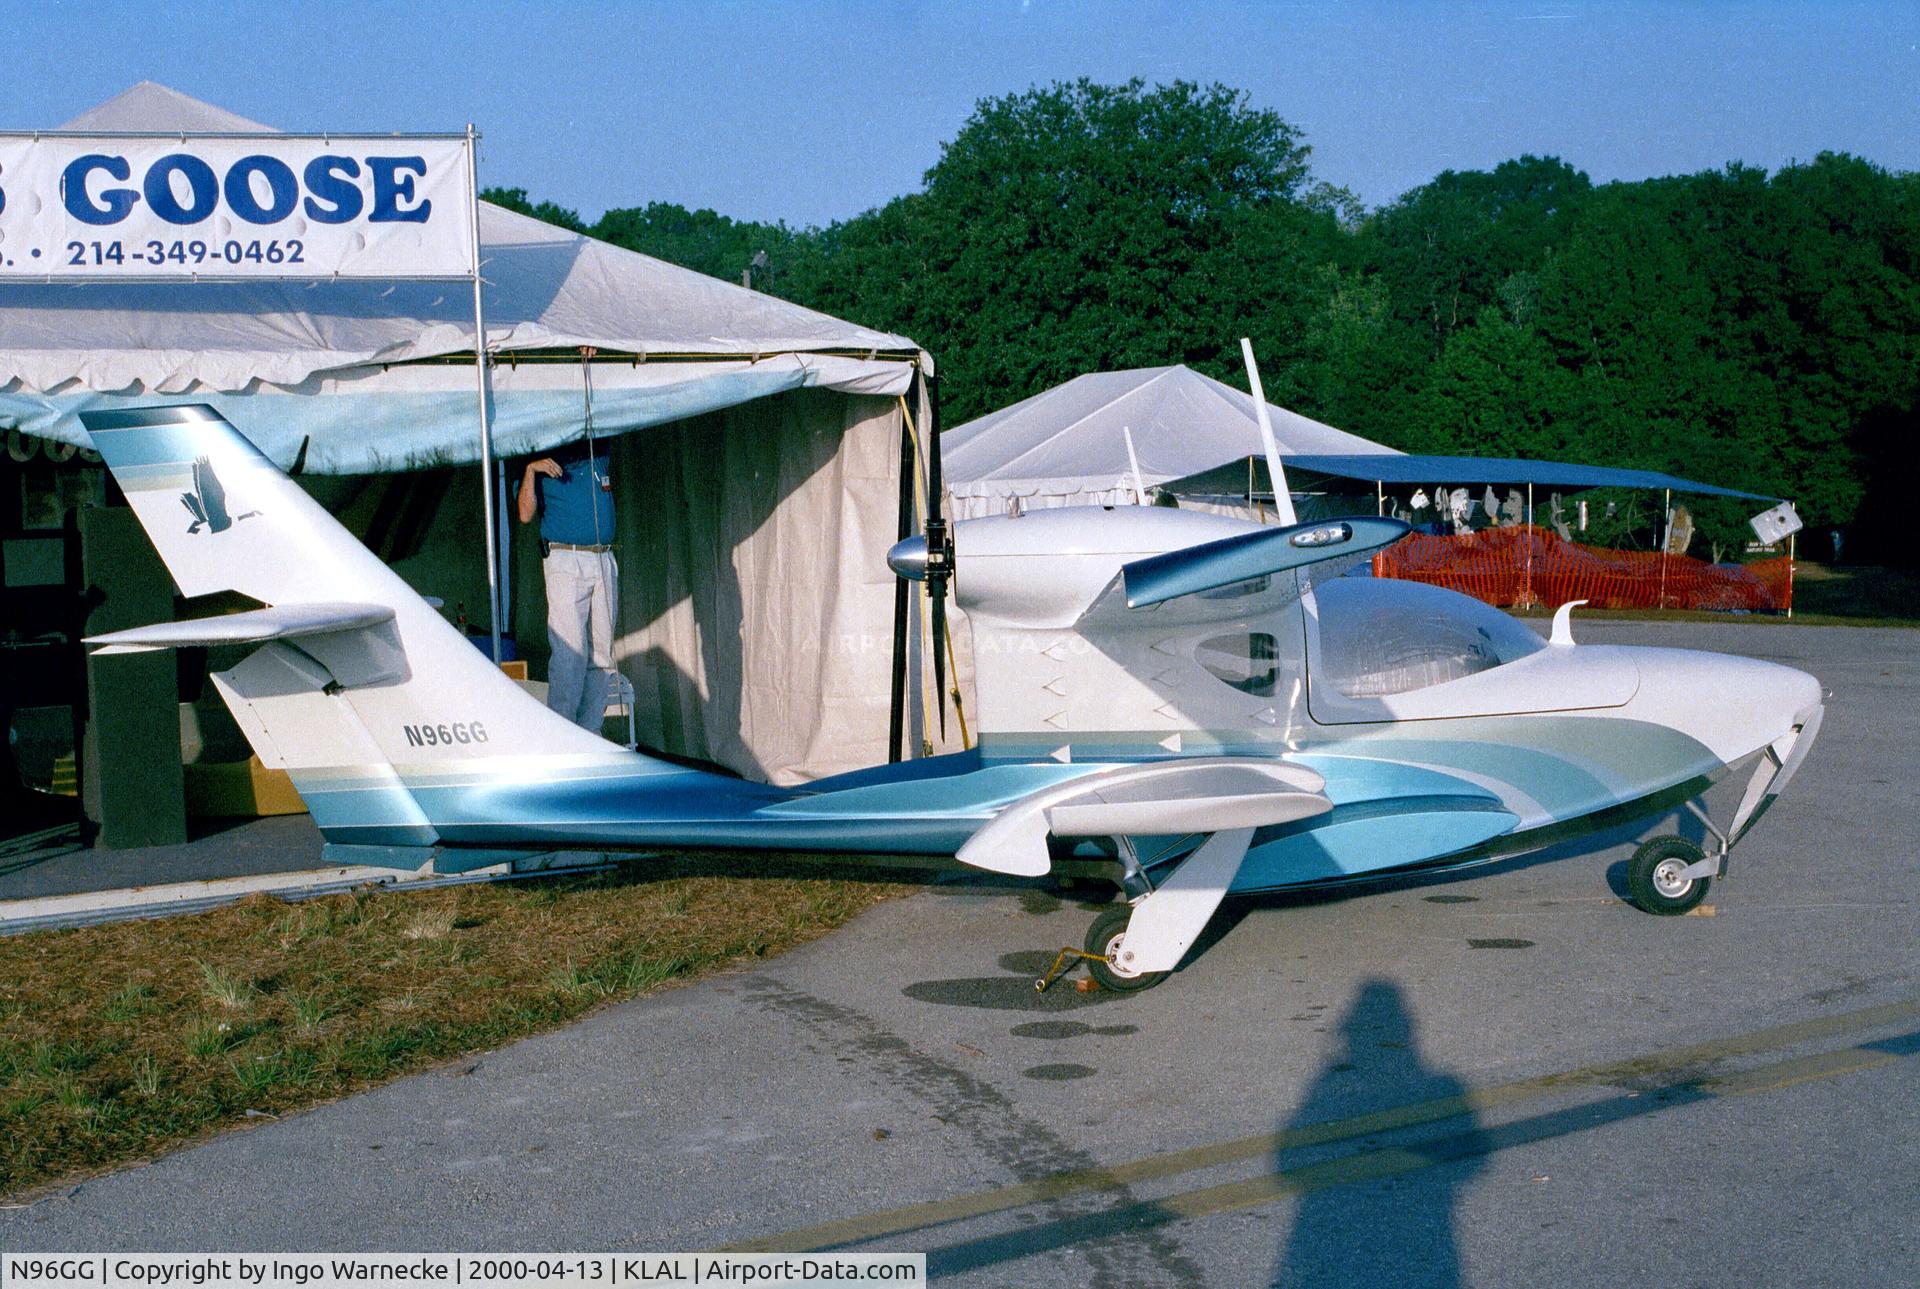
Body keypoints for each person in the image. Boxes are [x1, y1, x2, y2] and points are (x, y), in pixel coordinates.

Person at [516, 433, 618, 732]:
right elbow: (524, 515)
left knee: (603, 651)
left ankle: (590, 731)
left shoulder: (597, 446)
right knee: (569, 652)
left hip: (603, 555)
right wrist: (531, 470)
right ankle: (564, 730)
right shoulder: (539, 452)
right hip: (565, 557)